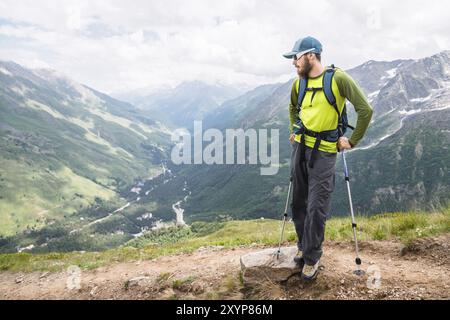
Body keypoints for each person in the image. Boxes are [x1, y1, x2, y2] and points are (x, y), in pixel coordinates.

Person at [283, 36, 373, 280]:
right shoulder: (298, 84)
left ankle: (312, 257)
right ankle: (303, 245)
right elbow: (293, 108)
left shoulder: (338, 79)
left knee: (316, 206)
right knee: (299, 202)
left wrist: (352, 140)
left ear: (311, 55)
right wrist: (294, 129)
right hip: (301, 147)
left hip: (324, 152)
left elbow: (365, 109)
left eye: (296, 57)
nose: (293, 62)